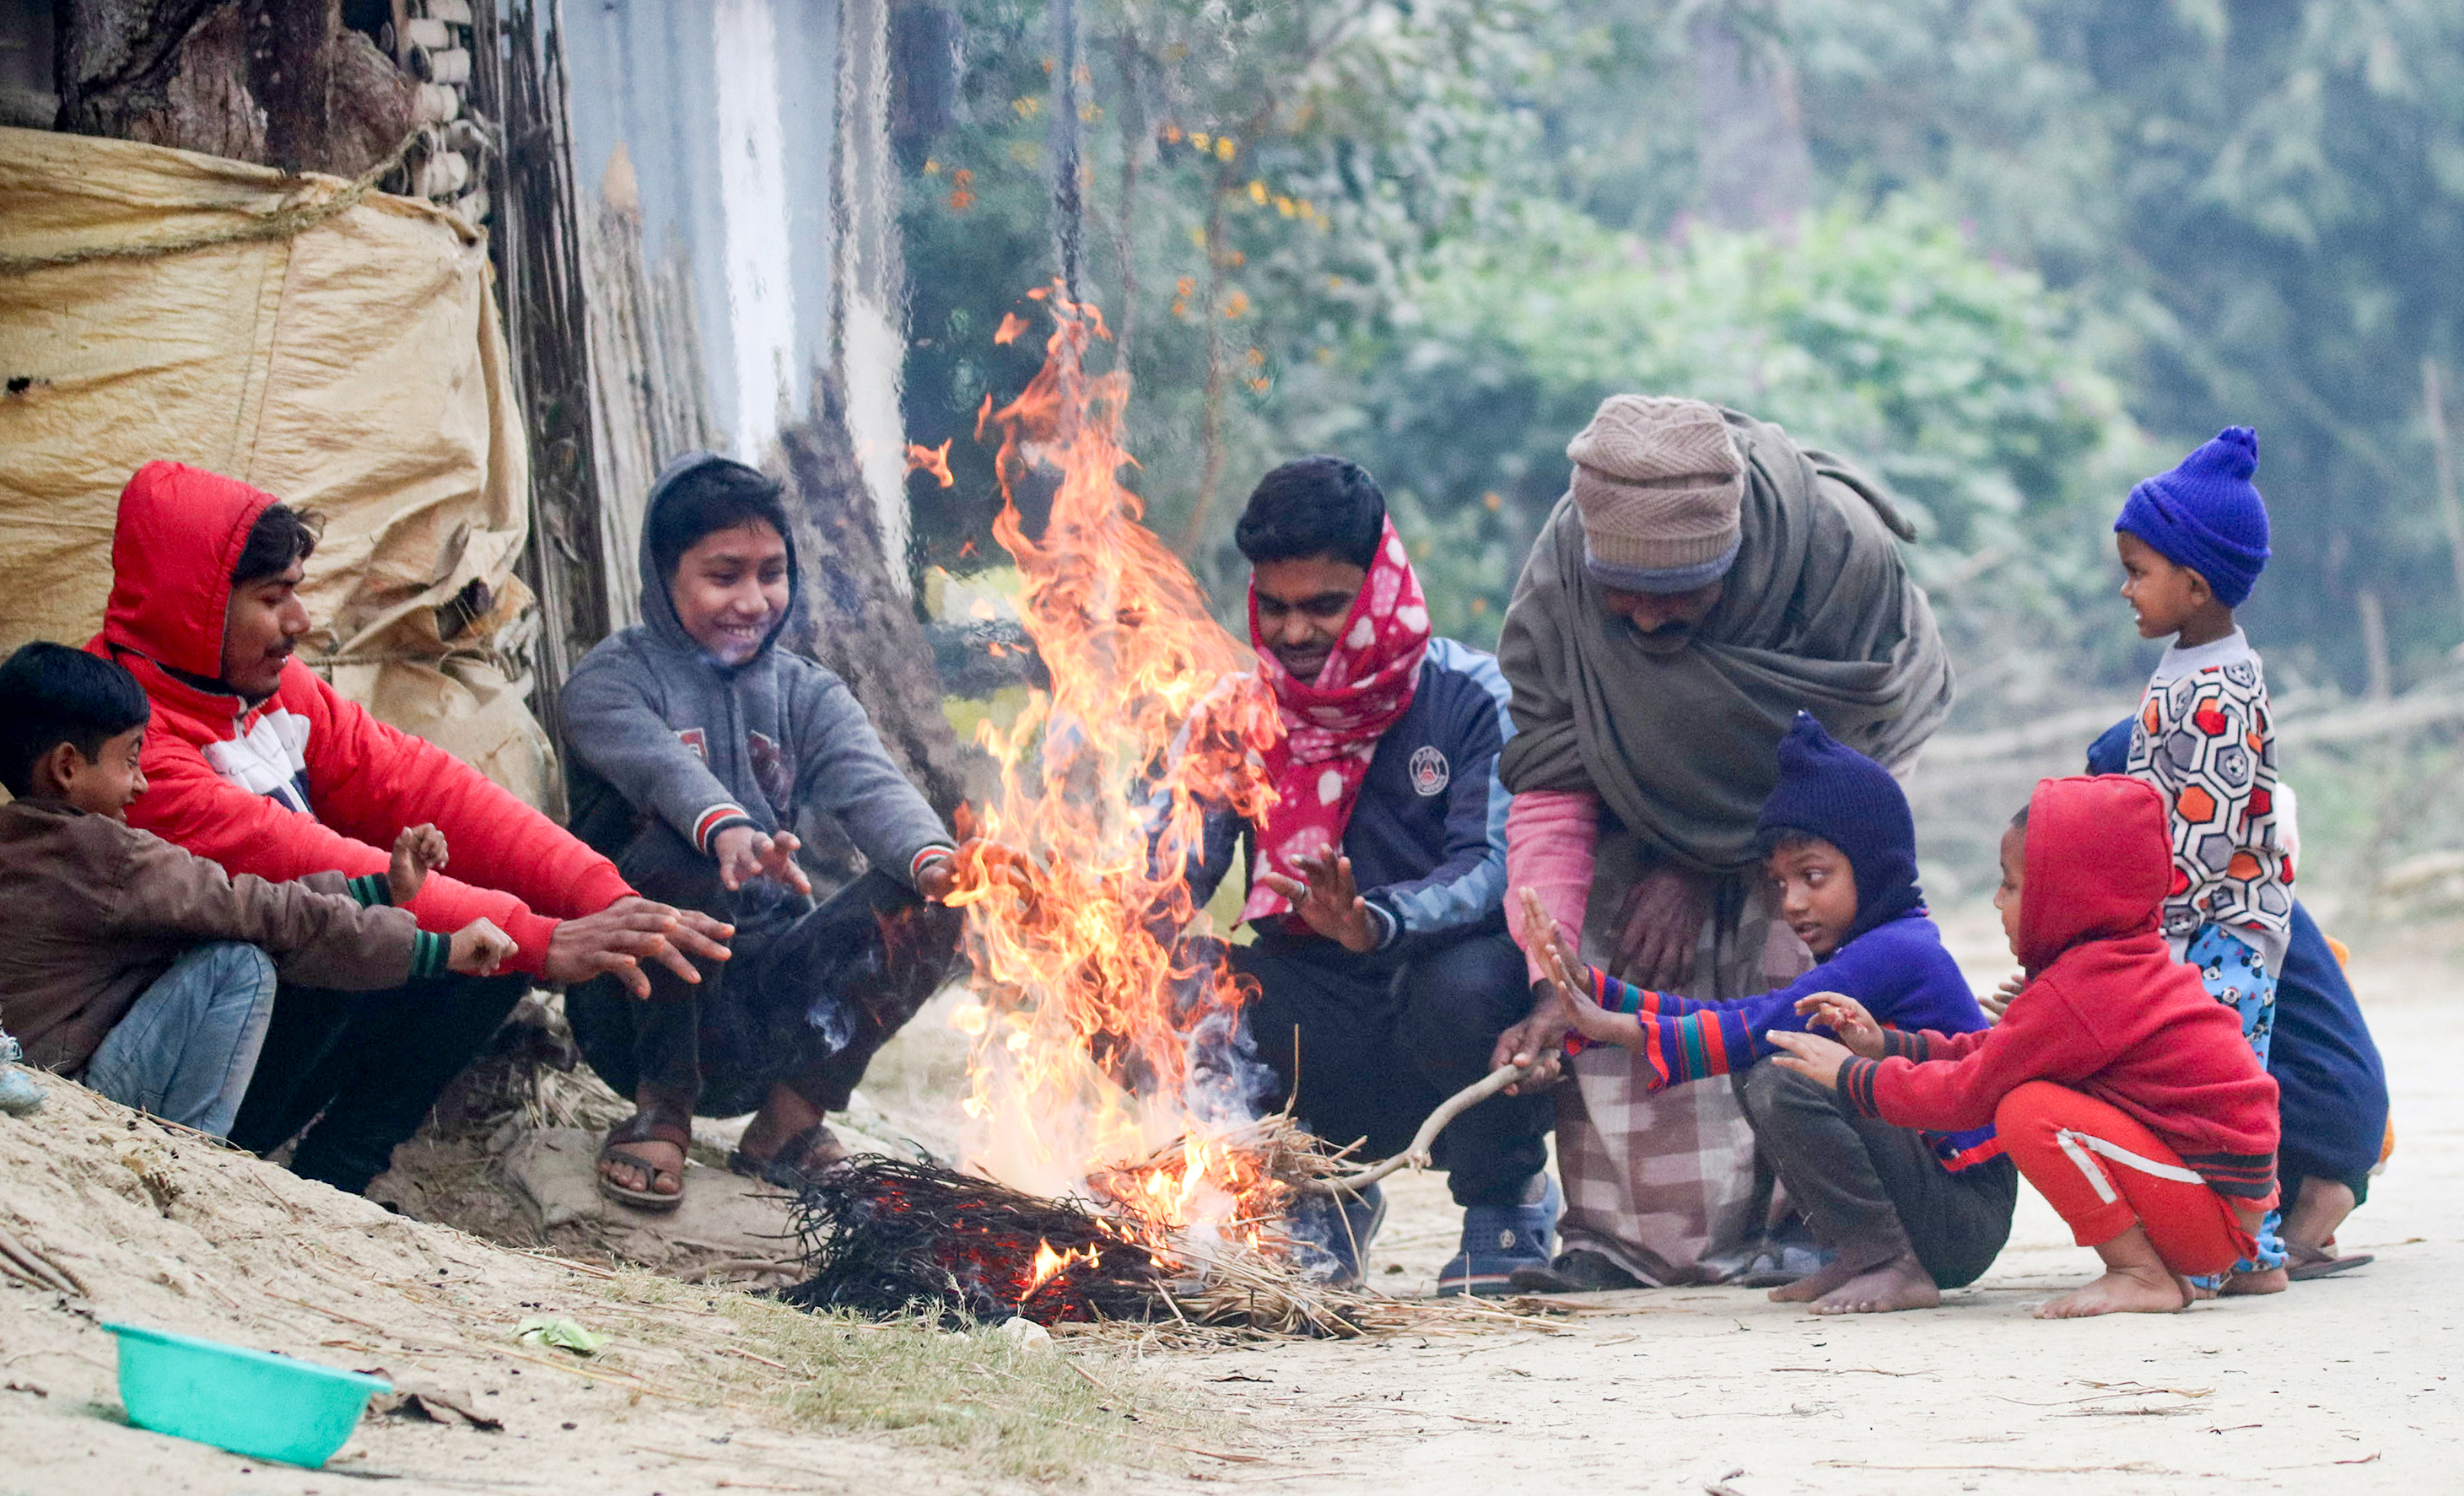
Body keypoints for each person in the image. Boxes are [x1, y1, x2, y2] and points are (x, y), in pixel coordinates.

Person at [90, 461, 732, 1194]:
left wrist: (599, 896)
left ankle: (340, 1174)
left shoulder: (260, 688)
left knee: (497, 919)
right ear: (195, 608)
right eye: (273, 599)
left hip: (284, 1018)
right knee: (388, 926)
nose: (299, 623)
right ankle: (261, 1166)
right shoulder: (129, 742)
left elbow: (414, 781)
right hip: (173, 1083)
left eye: (296, 593)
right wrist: (540, 940)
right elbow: (299, 862)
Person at [1490, 393, 1954, 1288]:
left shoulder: (1834, 554)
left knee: (1805, 935)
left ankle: (1823, 1224)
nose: (1645, 622)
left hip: (1825, 785)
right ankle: (1625, 1246)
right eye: (1619, 596)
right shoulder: (1561, 580)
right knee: (1603, 952)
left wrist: (1699, 866)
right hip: (1633, 787)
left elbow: (1843, 761)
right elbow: (1551, 783)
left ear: (1733, 555)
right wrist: (1550, 979)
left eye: (1674, 595)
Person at [561, 452, 979, 1207]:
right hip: (633, 1004)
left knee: (941, 901)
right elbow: (665, 772)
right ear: (663, 575)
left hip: (772, 1000)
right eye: (724, 576)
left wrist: (934, 865)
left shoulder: (806, 691)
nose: (753, 601)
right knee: (671, 854)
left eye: (771, 573)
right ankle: (661, 1112)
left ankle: (787, 1125)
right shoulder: (608, 683)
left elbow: (872, 785)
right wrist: (725, 831)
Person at [1184, 455, 1556, 1296]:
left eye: (1322, 606)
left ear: (1380, 584)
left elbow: (1494, 868)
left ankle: (1508, 1198)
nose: (1293, 632)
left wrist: (1374, 920)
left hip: (1445, 1004)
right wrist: (1070, 904)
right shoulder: (1232, 717)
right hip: (1312, 1013)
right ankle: (1304, 1192)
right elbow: (1168, 878)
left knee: (1467, 983)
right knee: (1141, 976)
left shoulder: (1471, 697)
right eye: (1272, 608)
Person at [1523, 713, 2015, 1310]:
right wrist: (1603, 993)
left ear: (1877, 865)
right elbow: (1748, 1014)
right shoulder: (1873, 944)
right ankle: (1860, 1251)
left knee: (1780, 1070)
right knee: (1769, 1061)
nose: (1793, 905)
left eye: (1813, 877)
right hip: (1939, 1200)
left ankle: (1888, 1258)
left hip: (1963, 1208)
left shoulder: (1897, 950)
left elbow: (1756, 1026)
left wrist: (1613, 1024)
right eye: (1780, 884)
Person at [1768, 777, 2281, 1319]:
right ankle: (2157, 1269)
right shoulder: (2109, 965)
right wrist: (1886, 1045)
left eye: (2010, 886)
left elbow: (1969, 1095)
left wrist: (1851, 1075)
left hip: (2213, 1212)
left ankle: (2141, 1275)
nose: (1996, 900)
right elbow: (1997, 1050)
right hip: (2213, 1202)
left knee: (2028, 1110)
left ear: (2066, 898)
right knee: (2029, 1094)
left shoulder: (2090, 986)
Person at [0, 643, 514, 1138]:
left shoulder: (19, 841)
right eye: (130, 760)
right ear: (67, 767)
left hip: (36, 1073)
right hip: (75, 1095)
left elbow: (251, 902)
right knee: (238, 964)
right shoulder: (103, 854)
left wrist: (379, 890)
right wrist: (438, 950)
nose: (141, 784)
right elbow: (249, 906)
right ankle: (193, 1156)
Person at [2083, 718, 2384, 1281]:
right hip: (2339, 1111)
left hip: (2313, 1119)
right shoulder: (2248, 889)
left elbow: (2213, 1056)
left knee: (2135, 1071)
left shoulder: (2215, 918)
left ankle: (2261, 1235)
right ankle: (2309, 1206)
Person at [2109, 426, 2293, 1293]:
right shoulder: (2188, 665)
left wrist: (2154, 928)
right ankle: (2241, 1253)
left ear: (2194, 583)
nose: (2124, 588)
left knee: (2220, 1091)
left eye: (2137, 571)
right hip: (2192, 922)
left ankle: (2231, 1255)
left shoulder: (2221, 688)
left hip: (2220, 928)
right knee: (2213, 1086)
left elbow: (2205, 836)